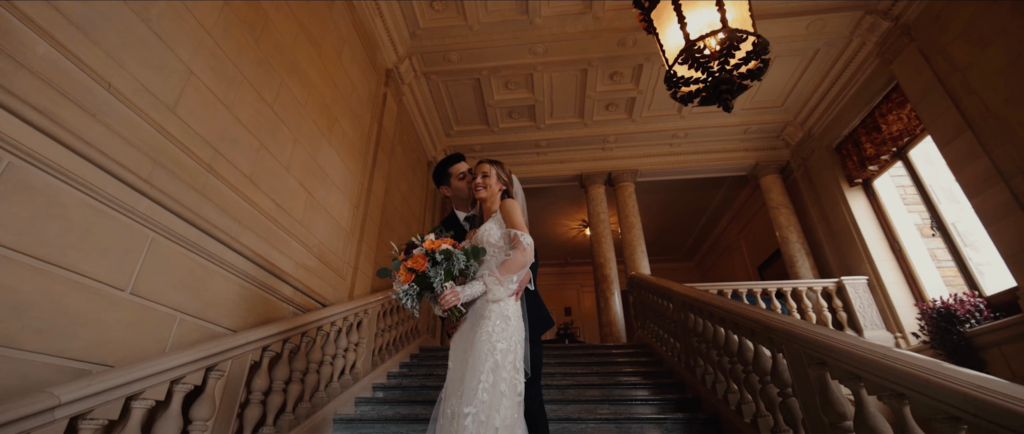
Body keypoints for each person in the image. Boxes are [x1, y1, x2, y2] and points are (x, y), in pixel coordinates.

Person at [427, 157, 554, 433]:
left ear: (502, 184)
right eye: (468, 177)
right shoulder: (452, 231)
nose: (475, 180)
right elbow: (446, 277)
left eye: (481, 175)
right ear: (446, 190)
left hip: (508, 307)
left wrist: (526, 271)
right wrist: (447, 308)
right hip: (471, 315)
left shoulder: (508, 207)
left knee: (520, 397)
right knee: (467, 391)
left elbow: (526, 249)